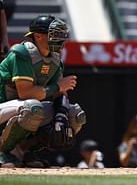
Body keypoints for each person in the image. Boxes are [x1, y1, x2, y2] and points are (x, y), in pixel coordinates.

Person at [0, 15, 86, 167]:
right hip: (4, 106)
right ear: (38, 36)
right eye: (54, 35)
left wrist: (61, 115)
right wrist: (58, 86)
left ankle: (25, 151)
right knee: (33, 108)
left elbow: (60, 94)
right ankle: (3, 152)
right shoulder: (22, 53)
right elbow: (25, 93)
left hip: (21, 110)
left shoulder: (55, 60)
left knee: (75, 115)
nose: (60, 39)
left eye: (61, 35)